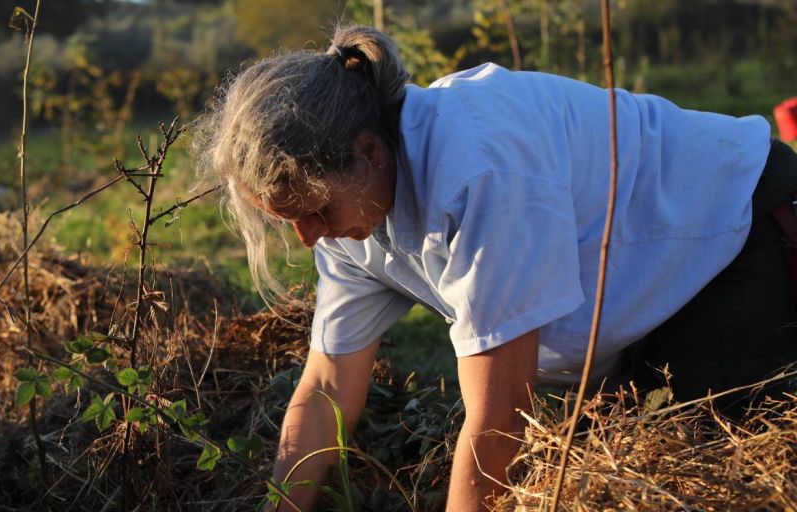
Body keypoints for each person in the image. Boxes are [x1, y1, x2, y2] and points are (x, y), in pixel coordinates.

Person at [194, 24, 797, 511]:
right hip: (643, 290)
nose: (308, 238)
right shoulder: (349, 215)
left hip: (733, 231)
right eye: (289, 219)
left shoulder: (479, 171)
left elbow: (502, 410)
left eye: (315, 210)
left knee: (721, 469)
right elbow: (327, 385)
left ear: (367, 152)